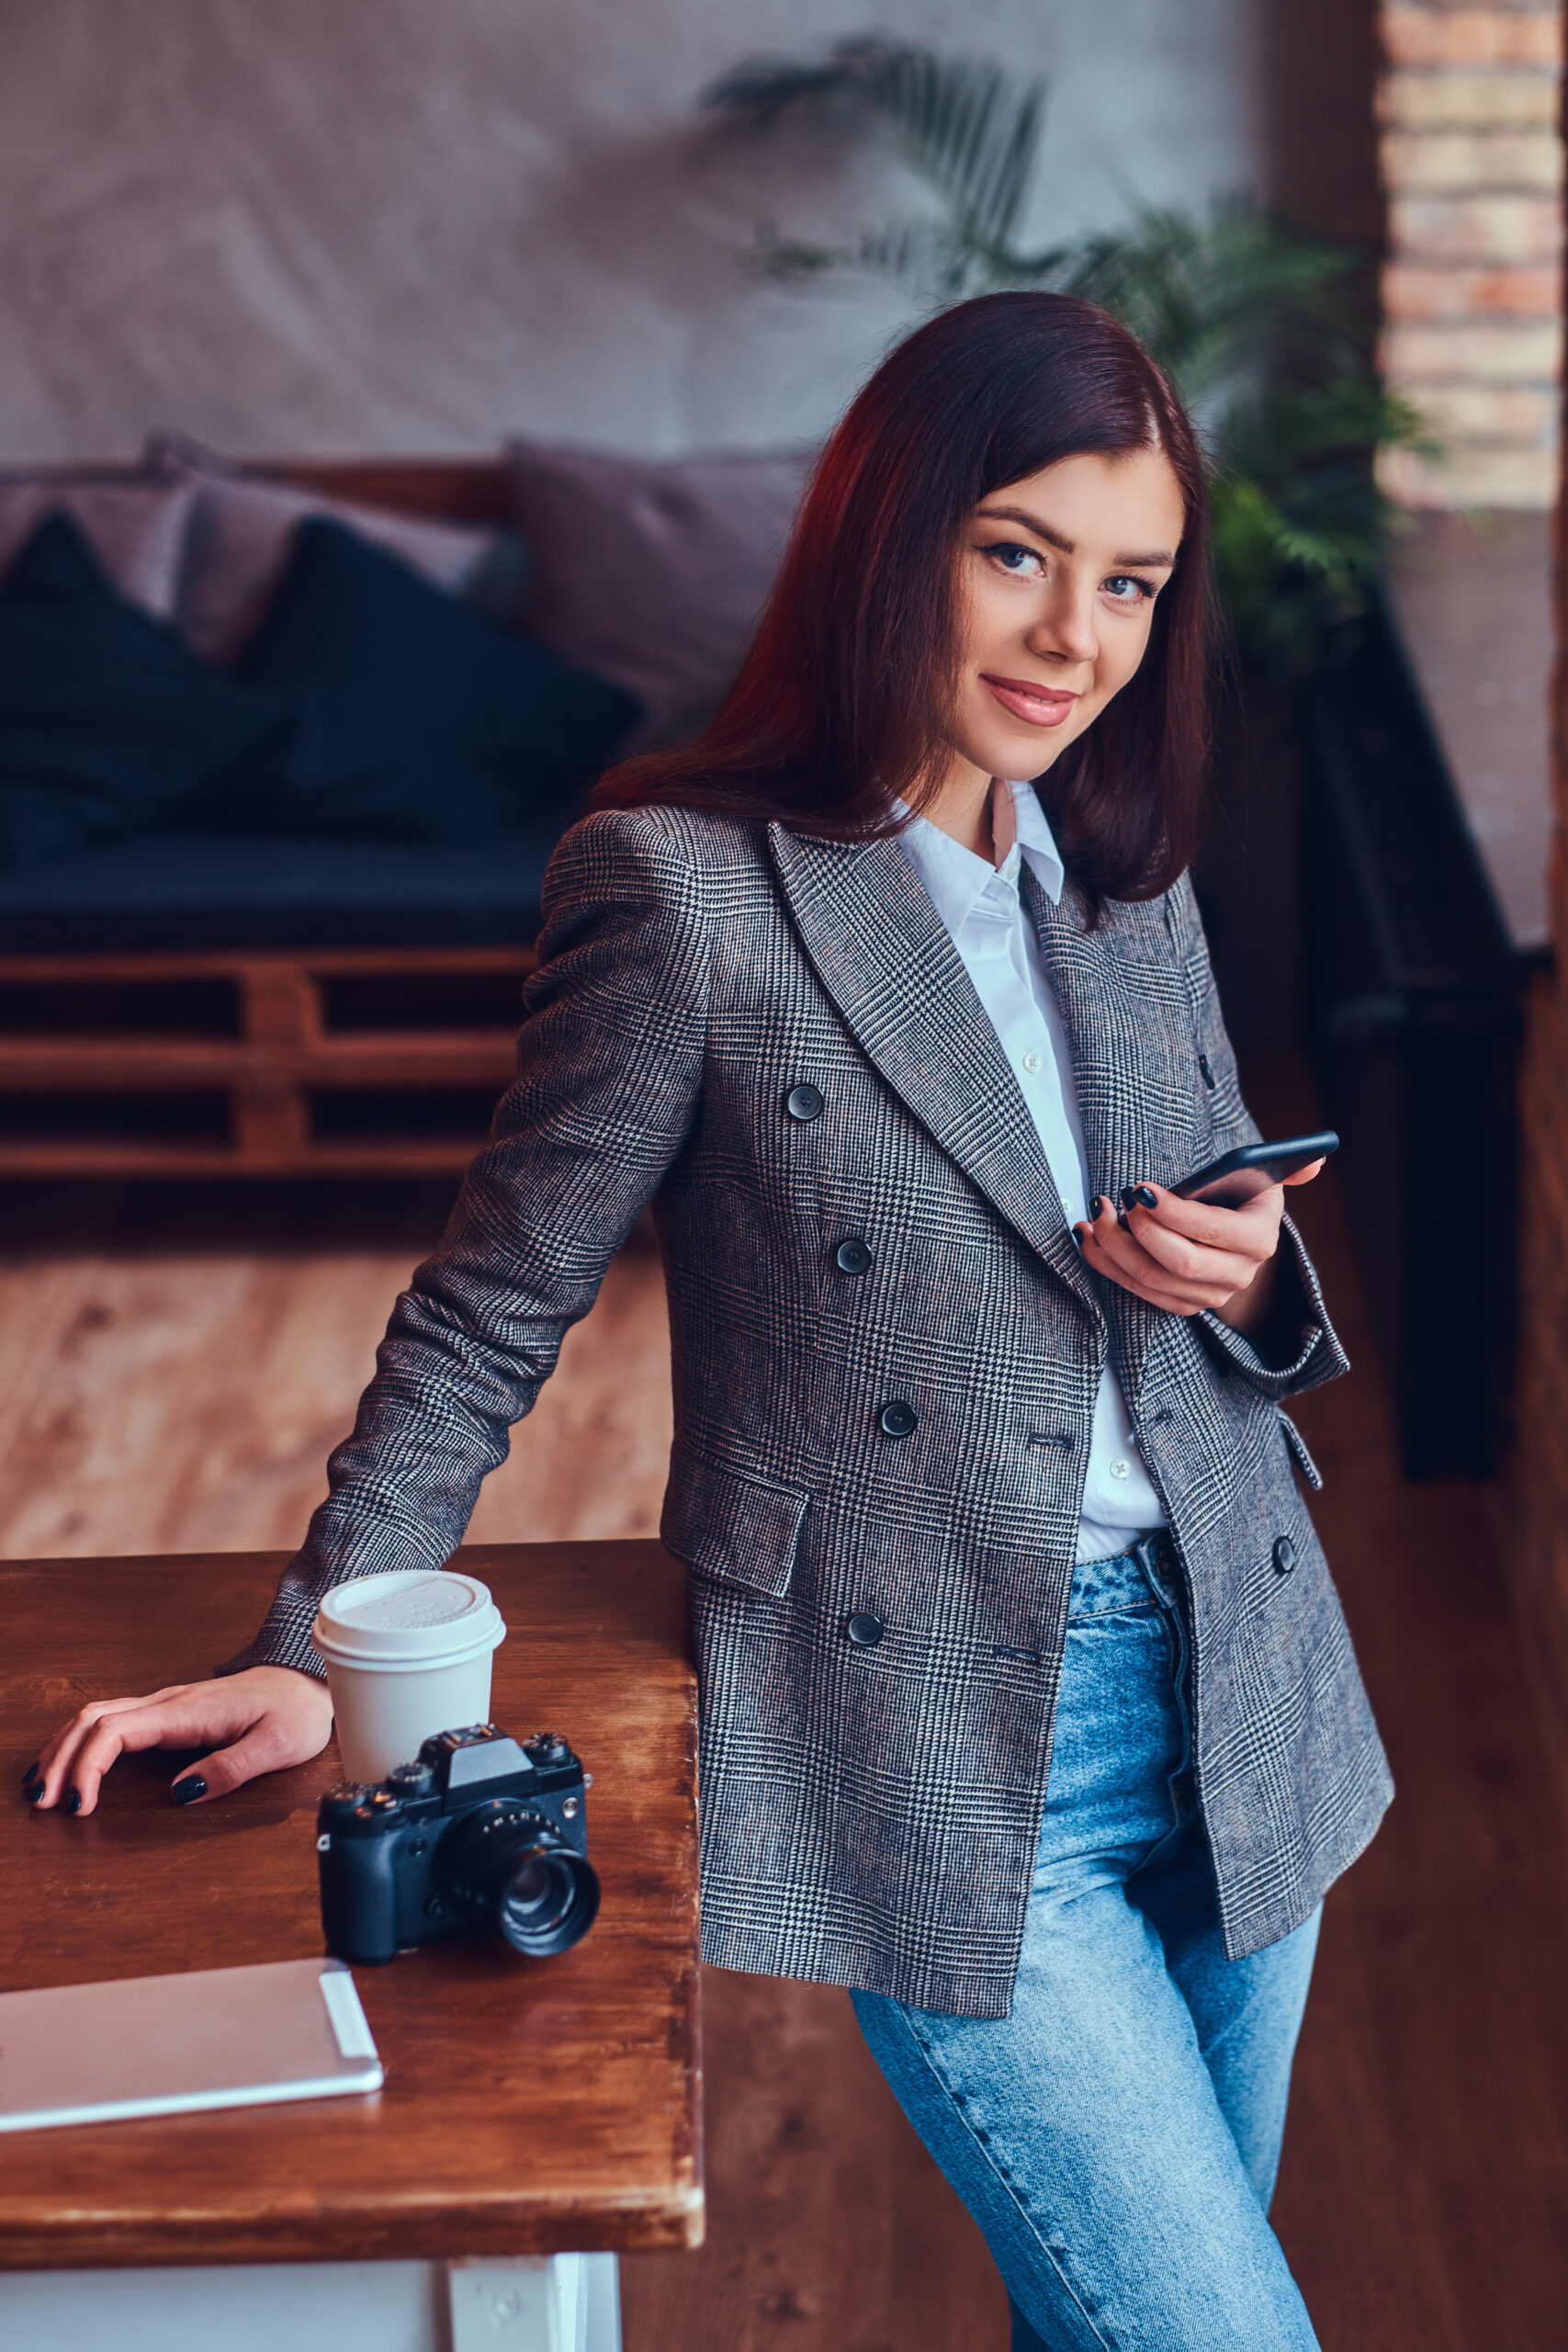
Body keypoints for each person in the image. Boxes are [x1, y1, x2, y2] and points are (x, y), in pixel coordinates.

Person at [28, 293, 1391, 2348]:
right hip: (936, 1731)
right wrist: (312, 1637)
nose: (1070, 637)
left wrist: (1256, 1274)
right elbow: (497, 1304)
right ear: (889, 532)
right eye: (1014, 551)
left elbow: (1231, 1251)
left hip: (1244, 1683)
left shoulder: (1129, 872)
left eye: (1128, 582)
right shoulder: (685, 891)